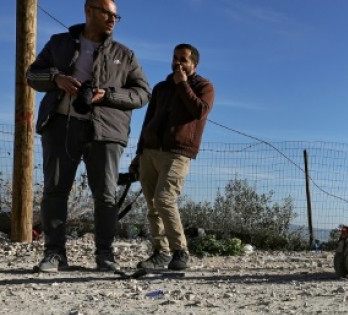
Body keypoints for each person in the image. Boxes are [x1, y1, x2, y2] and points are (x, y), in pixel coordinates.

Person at [27, 1, 150, 272]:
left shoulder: (125, 54)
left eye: (116, 16)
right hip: (61, 126)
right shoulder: (59, 43)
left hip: (107, 131)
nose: (112, 20)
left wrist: (108, 95)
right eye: (108, 13)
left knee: (106, 195)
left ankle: (105, 255)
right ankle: (54, 254)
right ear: (89, 10)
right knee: (55, 191)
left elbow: (142, 93)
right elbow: (32, 75)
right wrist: (57, 78)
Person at [131, 44, 215, 271]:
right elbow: (148, 120)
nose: (178, 63)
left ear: (193, 64)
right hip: (150, 151)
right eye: (175, 58)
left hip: (178, 152)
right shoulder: (160, 89)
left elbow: (199, 111)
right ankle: (161, 252)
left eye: (183, 60)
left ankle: (181, 251)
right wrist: (139, 154)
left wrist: (183, 84)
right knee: (152, 205)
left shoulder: (203, 86)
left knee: (164, 199)